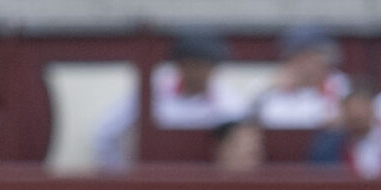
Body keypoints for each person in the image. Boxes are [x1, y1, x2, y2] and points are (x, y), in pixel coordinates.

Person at [92, 31, 245, 169]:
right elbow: (105, 133)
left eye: (206, 66)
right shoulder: (154, 91)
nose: (199, 72)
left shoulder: (230, 103)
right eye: (193, 65)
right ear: (179, 65)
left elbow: (242, 152)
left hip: (209, 187)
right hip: (154, 183)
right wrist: (123, 176)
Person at [252, 28, 348, 131]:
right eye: (299, 58)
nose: (305, 65)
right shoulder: (273, 87)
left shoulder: (338, 84)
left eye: (311, 57)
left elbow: (338, 120)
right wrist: (270, 88)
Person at [307, 85, 381, 174]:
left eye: (361, 116)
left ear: (372, 110)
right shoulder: (328, 147)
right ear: (344, 115)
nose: (357, 117)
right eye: (353, 117)